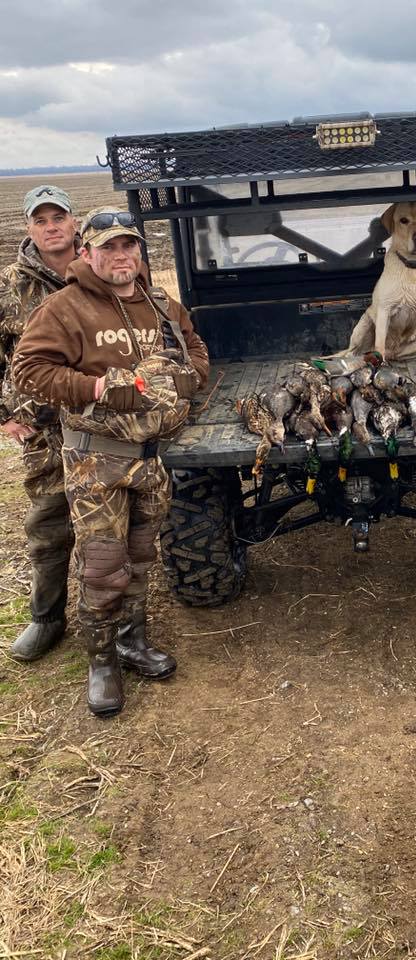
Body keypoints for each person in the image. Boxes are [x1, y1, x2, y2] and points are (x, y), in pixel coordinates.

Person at [13, 207, 209, 716]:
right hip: (93, 463)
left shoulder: (161, 303)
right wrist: (95, 387)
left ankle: (131, 639)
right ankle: (102, 662)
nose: (121, 256)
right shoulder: (63, 307)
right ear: (87, 252)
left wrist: (188, 379)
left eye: (129, 247)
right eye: (108, 248)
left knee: (142, 558)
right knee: (103, 567)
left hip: (150, 460)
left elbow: (195, 347)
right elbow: (28, 371)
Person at [0, 185, 81, 662]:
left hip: (97, 418)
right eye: (41, 219)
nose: (51, 226)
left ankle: (111, 621)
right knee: (49, 521)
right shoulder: (11, 283)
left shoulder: (96, 270)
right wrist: (6, 414)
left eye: (59, 217)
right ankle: (46, 618)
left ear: (74, 223)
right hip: (41, 425)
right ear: (29, 228)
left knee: (107, 526)